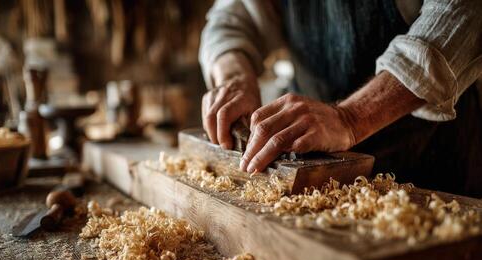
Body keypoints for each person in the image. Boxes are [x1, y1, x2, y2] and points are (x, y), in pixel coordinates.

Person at [199, 0, 482, 196]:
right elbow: (231, 19)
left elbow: (463, 14)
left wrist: (352, 117)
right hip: (312, 168)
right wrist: (235, 76)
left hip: (431, 161)